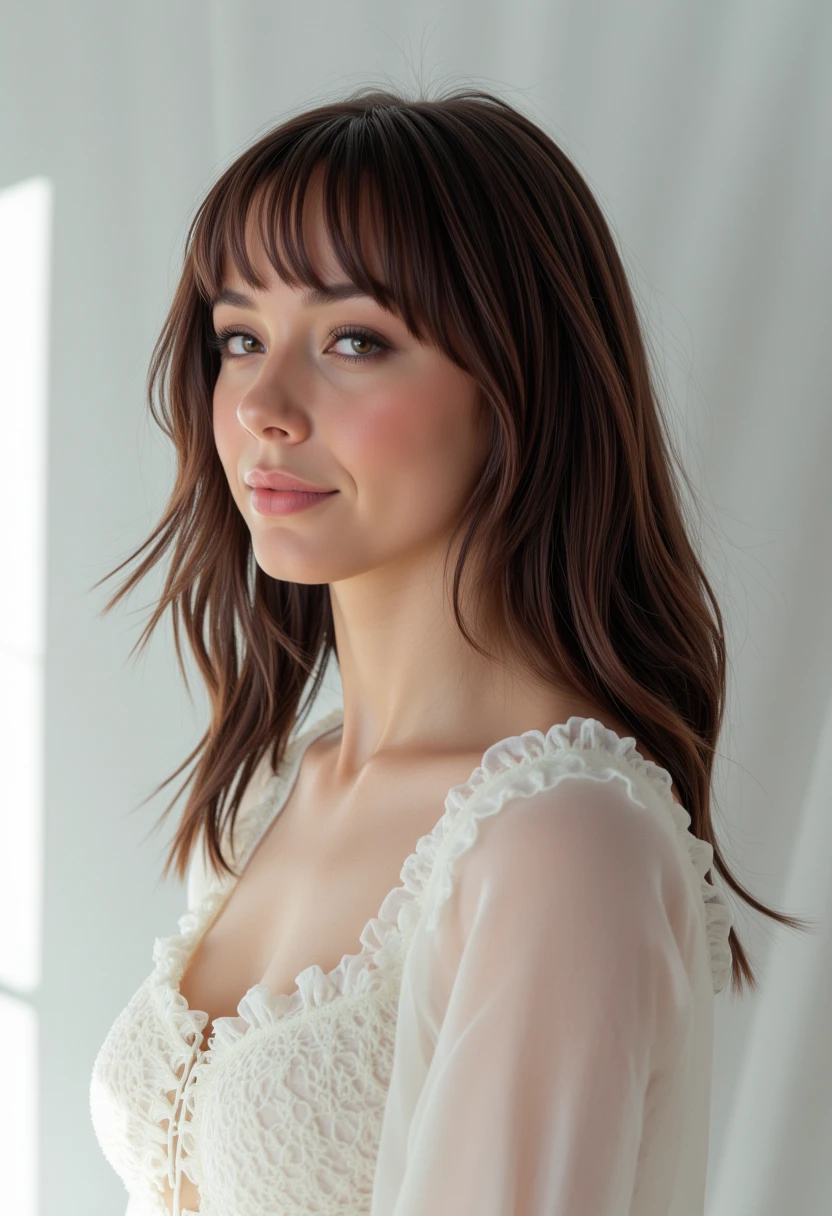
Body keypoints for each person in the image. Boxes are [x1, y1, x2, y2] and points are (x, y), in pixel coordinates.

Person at [88, 84, 808, 1216]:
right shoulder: (269, 791)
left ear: (515, 385)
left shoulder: (560, 842)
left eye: (355, 340)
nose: (263, 405)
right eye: (239, 336)